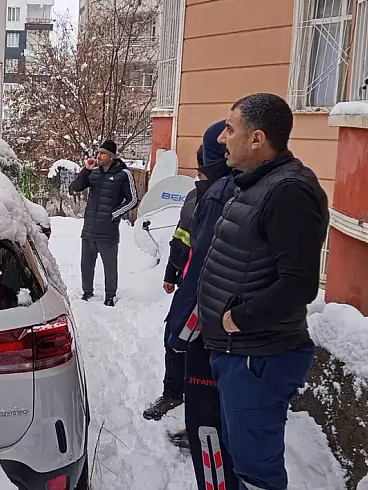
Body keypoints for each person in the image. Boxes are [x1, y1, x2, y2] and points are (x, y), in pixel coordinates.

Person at [200, 93, 329, 490]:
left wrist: (239, 317)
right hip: (239, 352)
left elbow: (299, 283)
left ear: (257, 139)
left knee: (256, 467)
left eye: (230, 129)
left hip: (259, 355)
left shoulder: (288, 192)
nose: (222, 138)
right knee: (241, 452)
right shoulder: (256, 182)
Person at [160, 120, 239, 490]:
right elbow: (183, 241)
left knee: (208, 419)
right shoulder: (241, 190)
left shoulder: (215, 197)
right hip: (232, 328)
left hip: (209, 325)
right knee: (223, 415)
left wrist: (179, 330)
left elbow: (204, 268)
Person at [141, 146, 202, 422]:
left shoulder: (223, 197)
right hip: (189, 285)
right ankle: (176, 393)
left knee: (183, 341)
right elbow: (180, 239)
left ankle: (190, 401)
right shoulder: (195, 197)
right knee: (176, 339)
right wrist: (170, 273)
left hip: (206, 291)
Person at [69, 139, 137, 307]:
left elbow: (133, 200)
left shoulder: (124, 174)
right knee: (86, 264)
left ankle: (110, 295)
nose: (99, 156)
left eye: (103, 153)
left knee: (110, 266)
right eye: (99, 153)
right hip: (89, 228)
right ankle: (87, 292)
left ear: (112, 157)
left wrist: (114, 214)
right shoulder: (94, 173)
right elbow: (75, 187)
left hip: (108, 231)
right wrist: (86, 170)